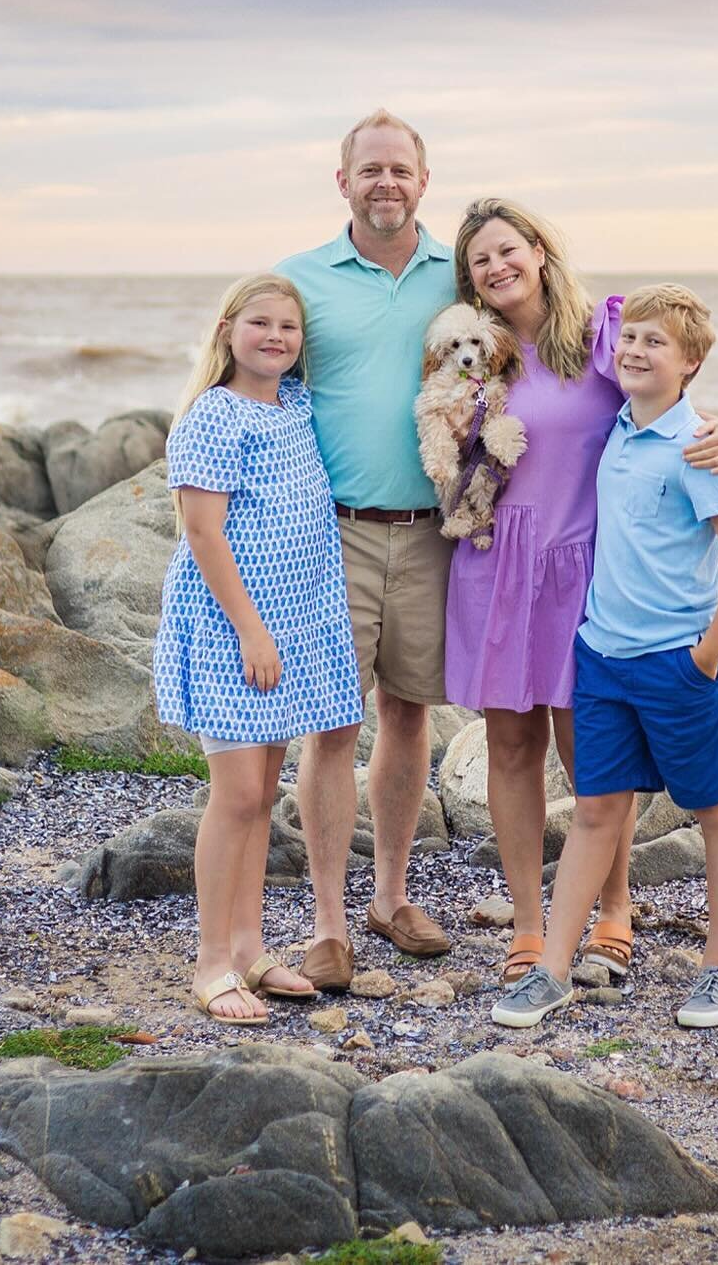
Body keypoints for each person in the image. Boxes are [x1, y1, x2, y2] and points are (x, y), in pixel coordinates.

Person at [446, 200, 718, 986]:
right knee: (511, 746)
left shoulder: (605, 333)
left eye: (507, 249)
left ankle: (614, 906)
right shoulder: (477, 354)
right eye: (480, 260)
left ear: (539, 250)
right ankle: (528, 921)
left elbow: (670, 399)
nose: (496, 267)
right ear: (469, 278)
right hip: (497, 565)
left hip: (586, 566)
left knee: (592, 750)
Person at [491, 282, 718, 1030]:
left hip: (679, 661)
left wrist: (707, 656)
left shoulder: (699, 448)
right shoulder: (616, 428)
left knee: (715, 806)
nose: (638, 351)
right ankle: (551, 970)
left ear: (691, 363)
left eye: (657, 343)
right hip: (603, 657)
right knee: (595, 810)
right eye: (632, 338)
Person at [274, 110, 458, 990]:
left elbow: (541, 350)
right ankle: (327, 921)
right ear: (341, 180)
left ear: (425, 180)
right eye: (370, 169)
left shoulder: (458, 274)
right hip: (332, 529)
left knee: (410, 712)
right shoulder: (301, 281)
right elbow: (251, 375)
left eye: (401, 169)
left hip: (432, 533)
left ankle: (391, 896)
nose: (386, 182)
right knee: (331, 722)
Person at [152, 273, 363, 1023]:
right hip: (232, 626)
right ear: (227, 332)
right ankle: (211, 962)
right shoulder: (214, 417)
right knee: (237, 794)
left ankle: (249, 945)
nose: (276, 336)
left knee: (262, 793)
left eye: (290, 327)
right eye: (260, 323)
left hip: (292, 624)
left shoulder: (294, 407)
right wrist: (250, 628)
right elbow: (202, 532)